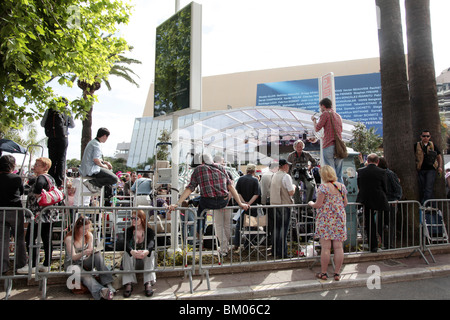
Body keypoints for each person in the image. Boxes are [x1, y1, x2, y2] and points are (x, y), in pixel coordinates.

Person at [167, 153, 249, 256]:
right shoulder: (221, 167)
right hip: (223, 201)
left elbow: (190, 188)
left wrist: (178, 203)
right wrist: (240, 203)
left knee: (201, 206)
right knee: (225, 224)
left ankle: (200, 229)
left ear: (201, 162)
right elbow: (231, 187)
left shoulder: (199, 169)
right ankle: (224, 246)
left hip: (208, 201)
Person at [18, 157, 60, 274]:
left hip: (39, 214)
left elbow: (38, 187)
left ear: (44, 167)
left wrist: (37, 196)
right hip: (47, 213)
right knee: (46, 238)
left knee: (31, 238)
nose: (35, 166)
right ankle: (46, 263)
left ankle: (32, 264)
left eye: (37, 165)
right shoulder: (50, 178)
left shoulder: (42, 178)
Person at [308, 165, 348, 281]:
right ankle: (337, 273)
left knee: (326, 247)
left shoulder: (323, 187)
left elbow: (318, 204)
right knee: (338, 247)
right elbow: (345, 203)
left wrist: (311, 203)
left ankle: (324, 273)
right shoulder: (341, 186)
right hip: (339, 219)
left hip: (325, 219)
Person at [64, 215, 114, 300]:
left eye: (88, 229)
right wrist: (83, 253)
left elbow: (89, 252)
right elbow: (73, 257)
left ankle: (107, 282)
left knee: (97, 255)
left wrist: (92, 251)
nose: (86, 231)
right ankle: (101, 291)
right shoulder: (69, 238)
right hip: (72, 265)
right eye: (84, 229)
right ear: (78, 228)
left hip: (84, 261)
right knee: (84, 274)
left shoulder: (89, 235)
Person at [356, 153, 389, 253]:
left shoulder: (361, 171)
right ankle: (386, 239)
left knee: (369, 223)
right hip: (379, 198)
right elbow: (385, 187)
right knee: (383, 219)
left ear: (368, 161)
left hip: (366, 199)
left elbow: (359, 185)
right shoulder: (382, 172)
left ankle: (373, 246)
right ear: (377, 162)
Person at [0, 155, 26, 274]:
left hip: (1, 210)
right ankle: (20, 265)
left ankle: (3, 267)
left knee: (2, 240)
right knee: (19, 239)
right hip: (15, 210)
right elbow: (21, 191)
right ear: (12, 165)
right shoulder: (16, 178)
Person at [122, 210, 156, 298]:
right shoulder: (129, 231)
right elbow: (125, 244)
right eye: (132, 218)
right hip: (132, 259)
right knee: (127, 254)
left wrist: (146, 251)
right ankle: (128, 283)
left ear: (142, 219)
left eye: (135, 218)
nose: (133, 220)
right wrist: (132, 251)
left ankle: (148, 283)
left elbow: (151, 243)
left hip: (144, 258)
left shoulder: (149, 231)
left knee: (151, 254)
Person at [41, 101, 75, 188]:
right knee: (61, 160)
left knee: (52, 159)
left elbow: (42, 124)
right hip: (63, 137)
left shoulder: (49, 110)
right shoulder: (67, 110)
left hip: (52, 137)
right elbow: (73, 125)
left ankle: (50, 181)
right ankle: (59, 182)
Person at [312, 98, 345, 183]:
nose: (320, 109)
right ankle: (341, 193)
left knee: (331, 173)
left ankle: (333, 193)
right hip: (339, 147)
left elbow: (317, 128)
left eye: (320, 107)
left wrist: (314, 121)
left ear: (323, 106)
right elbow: (340, 130)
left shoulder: (325, 114)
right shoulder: (338, 116)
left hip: (329, 145)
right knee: (339, 174)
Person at [269, 159, 296, 259]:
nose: (288, 167)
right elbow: (291, 192)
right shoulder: (286, 176)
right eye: (288, 165)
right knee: (283, 230)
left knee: (275, 229)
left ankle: (275, 251)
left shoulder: (274, 175)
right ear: (284, 166)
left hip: (274, 205)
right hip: (284, 205)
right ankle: (282, 252)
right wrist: (294, 187)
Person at [79, 127, 119, 193]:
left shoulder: (92, 142)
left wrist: (105, 162)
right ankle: (92, 183)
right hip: (91, 169)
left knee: (109, 174)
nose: (106, 139)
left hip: (86, 168)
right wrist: (104, 166)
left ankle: (96, 185)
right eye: (107, 137)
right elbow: (96, 160)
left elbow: (95, 158)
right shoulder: (97, 144)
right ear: (104, 136)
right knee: (114, 179)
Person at [233, 163, 261, 249]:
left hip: (242, 206)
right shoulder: (255, 180)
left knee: (239, 225)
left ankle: (236, 244)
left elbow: (238, 193)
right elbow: (256, 194)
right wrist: (249, 203)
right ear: (254, 171)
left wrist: (243, 202)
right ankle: (247, 245)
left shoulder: (240, 179)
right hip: (252, 207)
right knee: (251, 226)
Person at [378, 157, 402, 249]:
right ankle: (385, 243)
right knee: (380, 224)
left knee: (390, 223)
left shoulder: (390, 174)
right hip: (383, 202)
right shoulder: (381, 174)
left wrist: (396, 199)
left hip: (390, 201)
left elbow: (398, 188)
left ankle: (389, 244)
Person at [414, 130, 443, 204]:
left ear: (430, 137)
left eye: (427, 136)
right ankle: (430, 205)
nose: (425, 138)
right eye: (424, 136)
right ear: (421, 137)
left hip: (431, 169)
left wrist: (440, 167)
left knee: (428, 188)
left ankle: (424, 204)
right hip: (420, 169)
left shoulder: (432, 145)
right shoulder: (417, 145)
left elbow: (439, 156)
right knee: (422, 188)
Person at [287, 139, 317, 204]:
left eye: (300, 146)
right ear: (295, 147)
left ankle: (308, 204)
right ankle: (298, 204)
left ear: (303, 147)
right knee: (295, 186)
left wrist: (309, 167)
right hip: (295, 174)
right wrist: (289, 175)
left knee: (311, 185)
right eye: (297, 147)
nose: (299, 148)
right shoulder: (291, 155)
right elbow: (288, 166)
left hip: (305, 173)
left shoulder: (307, 154)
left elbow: (314, 162)